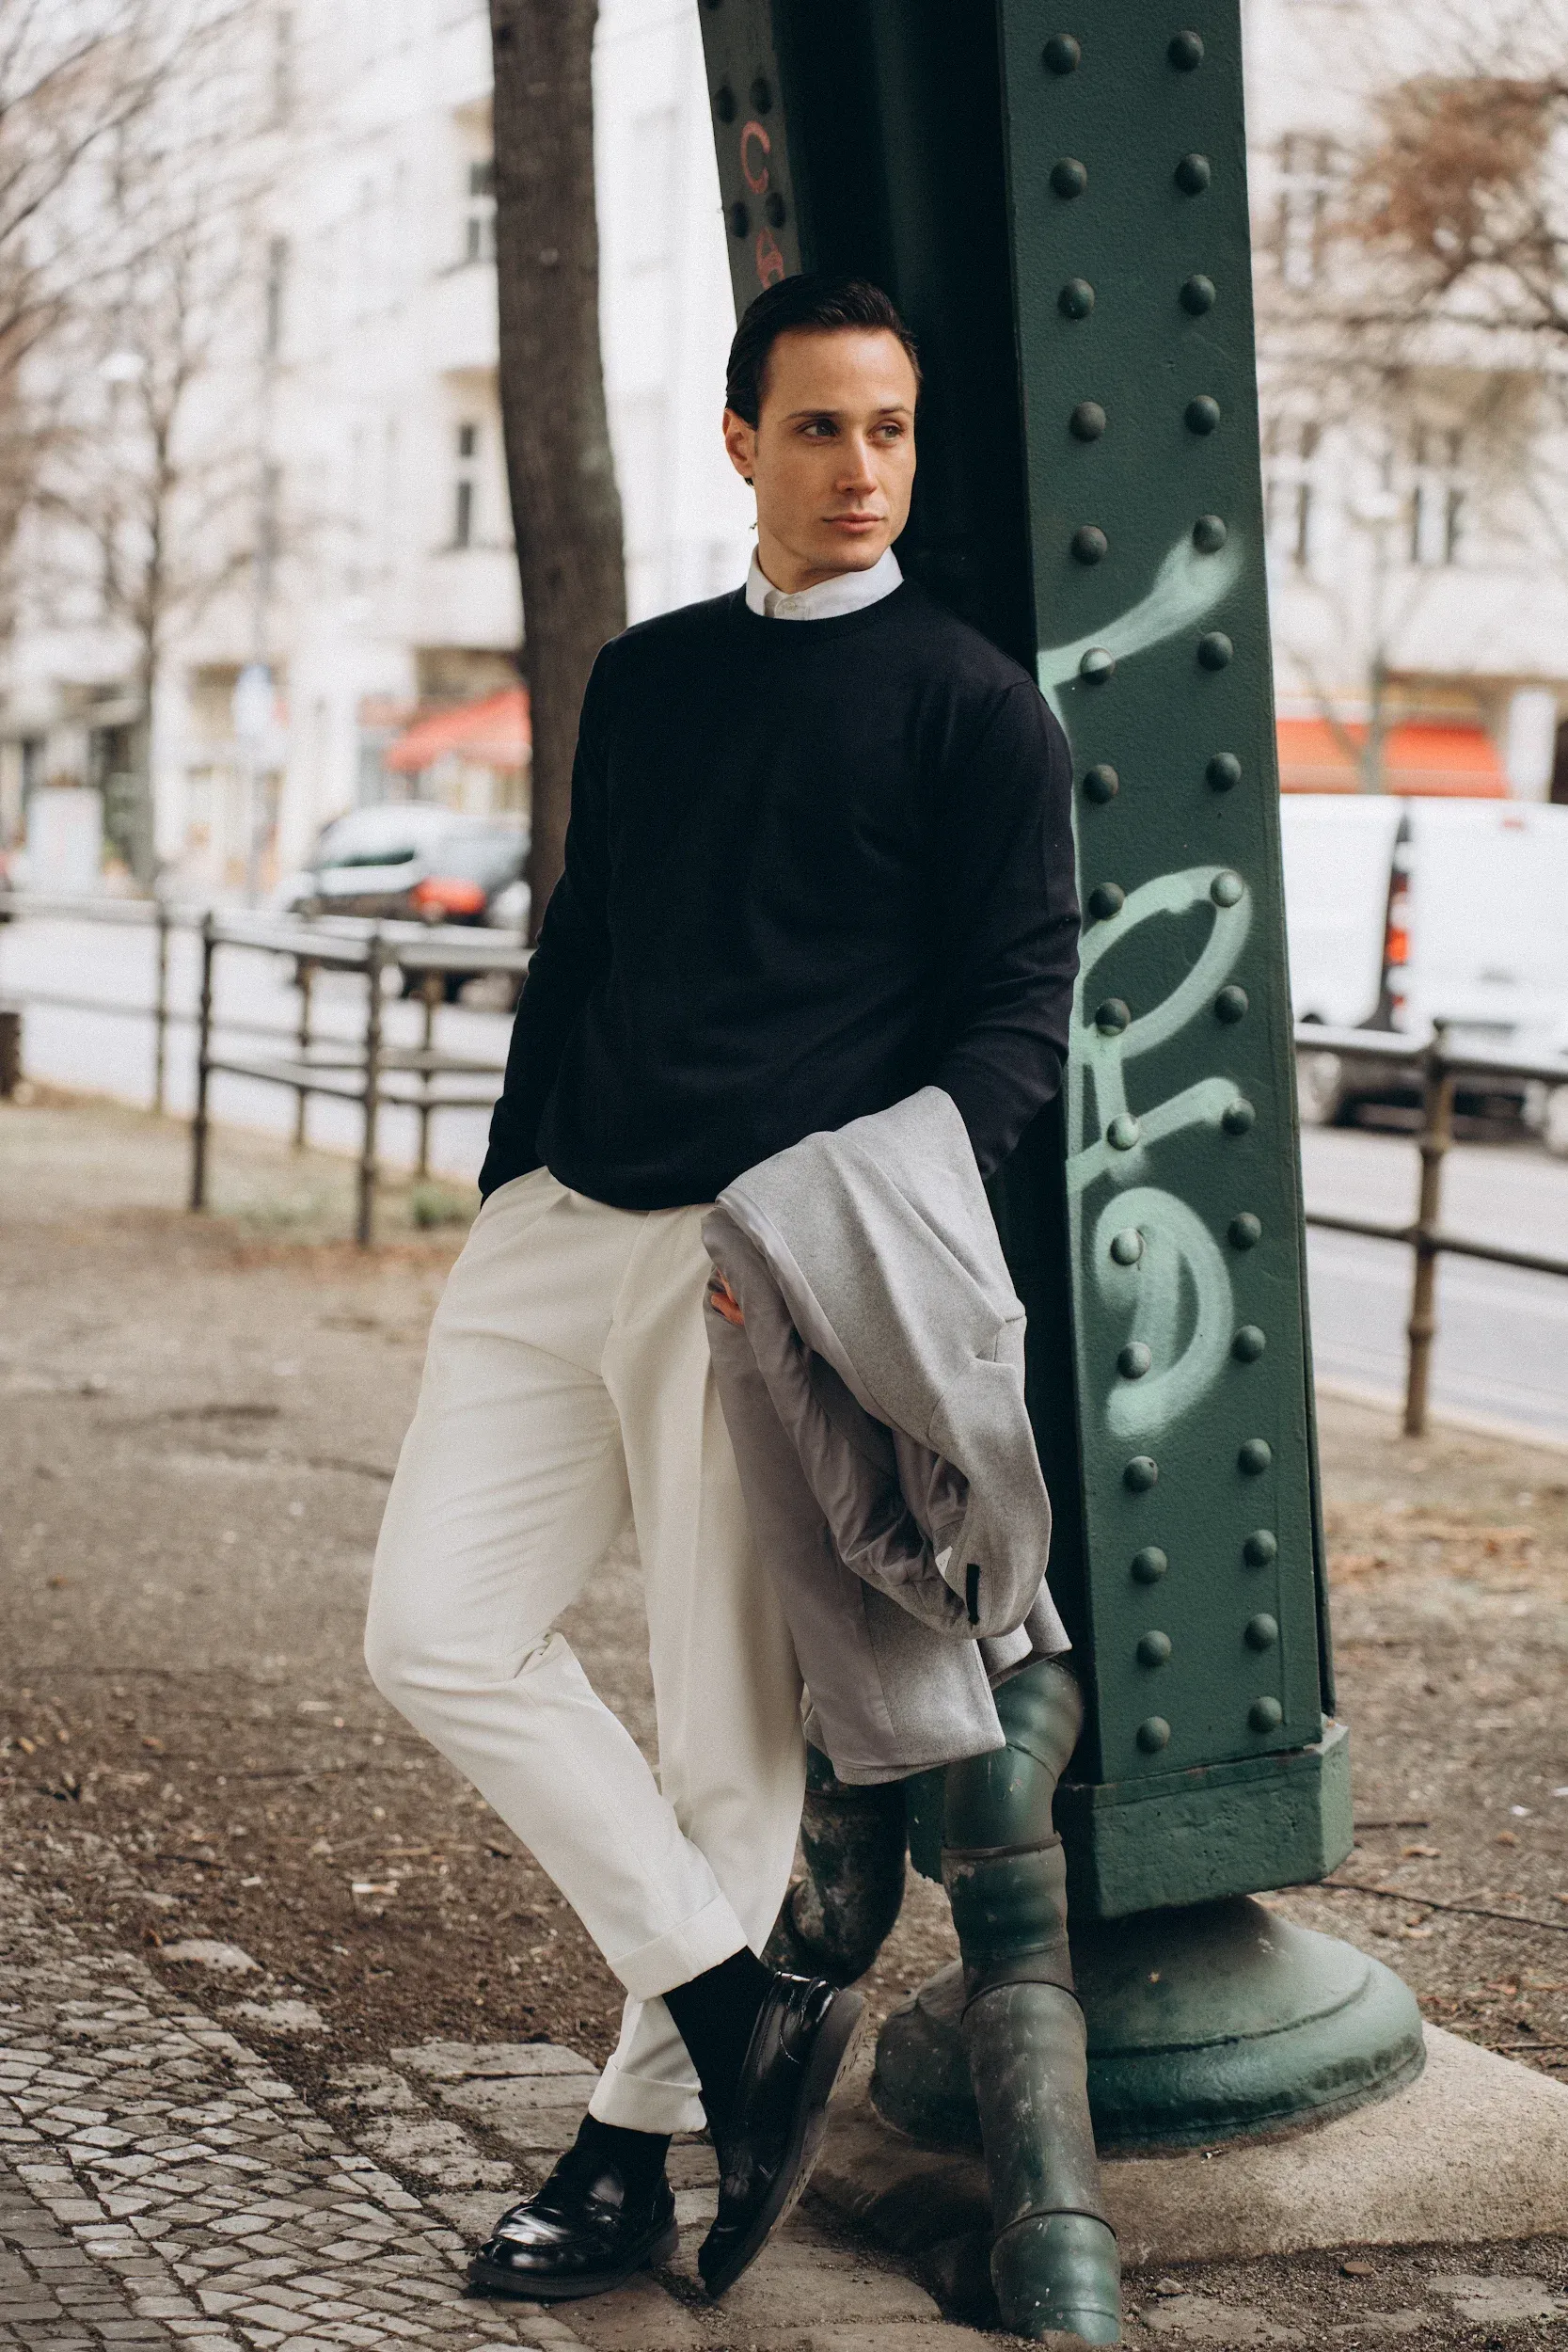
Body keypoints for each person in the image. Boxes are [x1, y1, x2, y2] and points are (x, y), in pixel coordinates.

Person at [363, 273, 1080, 2306]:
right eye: (826, 429)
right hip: (559, 1224)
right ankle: (723, 2002)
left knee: (721, 1756)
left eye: (894, 432)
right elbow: (579, 938)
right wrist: (511, 1178)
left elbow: (1016, 1020)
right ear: (743, 443)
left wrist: (839, 1218)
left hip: (749, 1269)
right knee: (434, 1630)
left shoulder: (968, 703)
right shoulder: (654, 676)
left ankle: (616, 2157)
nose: (866, 470)